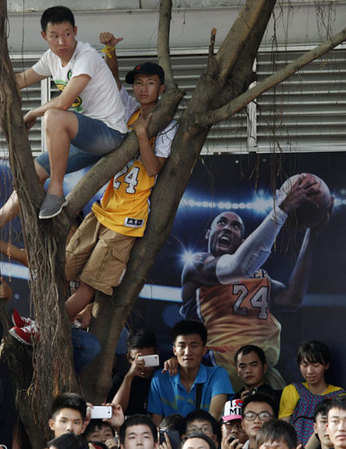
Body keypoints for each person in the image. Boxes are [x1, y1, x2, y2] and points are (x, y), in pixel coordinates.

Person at [9, 47, 177, 344]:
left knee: (88, 283)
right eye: (139, 83)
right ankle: (48, 319)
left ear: (162, 88)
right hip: (103, 208)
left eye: (150, 83)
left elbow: (153, 170)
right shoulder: (127, 109)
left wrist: (140, 136)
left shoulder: (167, 126)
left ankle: (43, 329)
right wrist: (110, 52)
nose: (143, 88)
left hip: (127, 219)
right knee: (65, 268)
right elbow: (113, 84)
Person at [180, 174, 325, 390]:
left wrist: (312, 234)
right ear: (208, 233)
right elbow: (236, 267)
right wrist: (281, 210)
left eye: (236, 226)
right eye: (221, 223)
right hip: (219, 372)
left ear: (243, 241)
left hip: (265, 373)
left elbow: (292, 298)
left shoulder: (259, 276)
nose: (228, 228)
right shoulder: (198, 265)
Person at [1, 6, 127, 221]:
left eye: (67, 34)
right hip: (83, 139)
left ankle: (56, 192)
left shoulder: (85, 57)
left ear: (75, 31)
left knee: (54, 116)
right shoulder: (51, 58)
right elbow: (21, 80)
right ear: (44, 36)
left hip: (109, 133)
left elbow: (63, 102)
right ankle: (2, 218)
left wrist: (32, 114)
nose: (62, 42)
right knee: (32, 172)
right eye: (55, 36)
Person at [148, 320, 233, 425]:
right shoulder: (159, 379)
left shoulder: (218, 375)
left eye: (194, 345)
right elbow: (156, 423)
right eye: (182, 346)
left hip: (206, 438)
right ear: (174, 350)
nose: (187, 352)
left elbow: (213, 419)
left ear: (204, 350)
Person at [279, 340, 345, 445]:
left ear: (326, 365)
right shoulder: (292, 390)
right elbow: (283, 427)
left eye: (315, 365)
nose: (309, 371)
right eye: (304, 365)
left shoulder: (339, 394)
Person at [108, 330, 158, 415]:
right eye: (139, 360)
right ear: (129, 358)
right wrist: (129, 377)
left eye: (148, 359)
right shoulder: (121, 379)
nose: (143, 365)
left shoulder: (161, 377)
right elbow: (115, 413)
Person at [234, 345, 281, 414]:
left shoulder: (279, 397)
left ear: (264, 368)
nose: (248, 370)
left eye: (253, 365)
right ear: (237, 370)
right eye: (243, 366)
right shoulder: (233, 402)